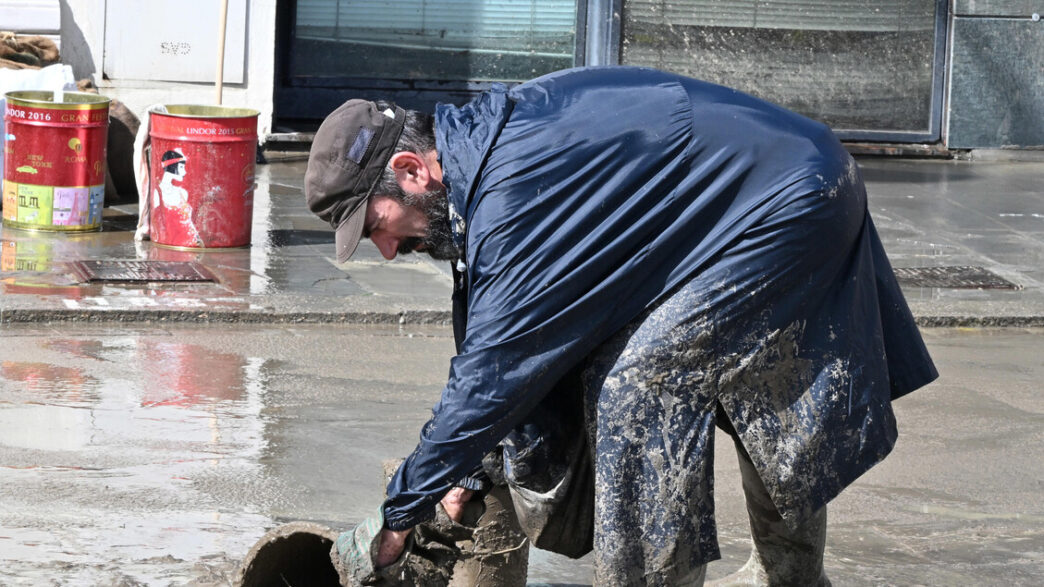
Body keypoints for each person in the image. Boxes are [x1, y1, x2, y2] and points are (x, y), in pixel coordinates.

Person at [305, 66, 938, 586]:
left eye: (375, 225)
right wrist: (462, 469)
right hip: (752, 200)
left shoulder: (512, 190)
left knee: (640, 384)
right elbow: (485, 334)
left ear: (413, 171)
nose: (385, 251)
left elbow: (496, 370)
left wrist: (398, 517)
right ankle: (793, 578)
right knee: (700, 374)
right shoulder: (478, 165)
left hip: (793, 197)